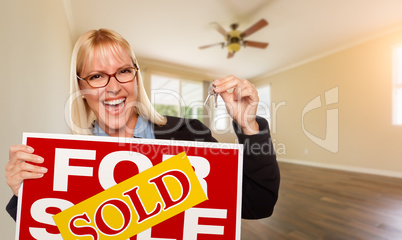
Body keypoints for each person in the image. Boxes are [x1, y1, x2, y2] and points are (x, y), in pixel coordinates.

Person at [5, 29, 280, 221]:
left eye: (124, 71)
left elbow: (258, 202)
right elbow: (52, 228)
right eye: (98, 75)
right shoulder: (65, 161)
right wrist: (27, 196)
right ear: (80, 86)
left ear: (136, 77)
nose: (114, 87)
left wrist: (249, 126)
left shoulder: (187, 133)